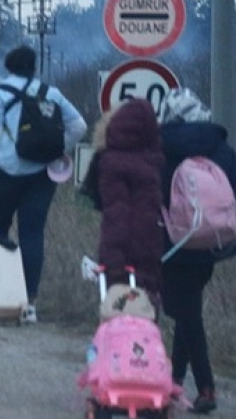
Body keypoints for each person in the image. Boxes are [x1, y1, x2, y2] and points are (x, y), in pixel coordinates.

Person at [0, 45, 87, 324]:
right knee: (32, 235)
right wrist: (58, 150)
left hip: (4, 173)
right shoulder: (51, 93)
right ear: (34, 67)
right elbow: (79, 125)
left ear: (8, 66)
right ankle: (30, 303)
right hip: (41, 175)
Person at [157, 88, 233, 415]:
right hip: (211, 240)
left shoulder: (163, 146)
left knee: (186, 315)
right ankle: (175, 381)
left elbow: (156, 192)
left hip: (174, 240)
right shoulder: (221, 147)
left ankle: (205, 387)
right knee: (188, 312)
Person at [90, 99, 164, 303]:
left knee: (121, 304)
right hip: (152, 244)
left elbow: (116, 213)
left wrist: (111, 258)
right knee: (146, 302)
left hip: (124, 250)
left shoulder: (110, 162)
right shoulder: (154, 161)